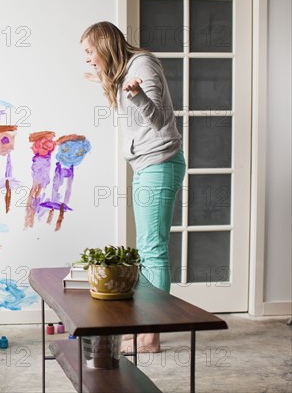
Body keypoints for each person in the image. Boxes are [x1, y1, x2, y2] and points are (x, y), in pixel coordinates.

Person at [81, 21, 186, 353]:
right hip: (147, 165)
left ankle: (151, 337)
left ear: (105, 46)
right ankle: (144, 329)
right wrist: (103, 79)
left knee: (153, 251)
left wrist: (138, 94)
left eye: (89, 51)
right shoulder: (126, 70)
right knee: (146, 249)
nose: (87, 58)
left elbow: (158, 119)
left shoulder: (142, 66)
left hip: (159, 163)